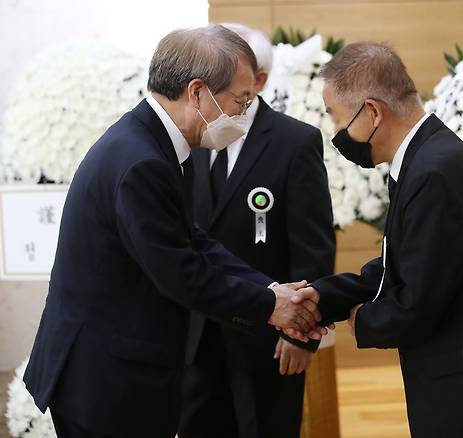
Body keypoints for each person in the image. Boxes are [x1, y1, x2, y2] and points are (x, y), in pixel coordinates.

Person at [23, 25, 324, 438]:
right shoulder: (141, 160)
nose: (241, 116)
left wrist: (272, 288)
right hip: (108, 378)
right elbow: (181, 272)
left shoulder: (159, 143)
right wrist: (270, 305)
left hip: (122, 365)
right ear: (197, 92)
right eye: (240, 102)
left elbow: (194, 239)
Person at [291, 42, 463, 437]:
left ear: (373, 112)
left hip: (462, 382)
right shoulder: (426, 157)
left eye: (338, 120)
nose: (337, 135)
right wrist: (324, 298)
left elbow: (418, 302)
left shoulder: (434, 172)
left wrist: (363, 321)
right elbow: (399, 264)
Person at [179, 23, 336, 438]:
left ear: (258, 80)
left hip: (268, 339)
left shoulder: (294, 141)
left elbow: (313, 247)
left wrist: (302, 334)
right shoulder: (189, 135)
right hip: (195, 334)